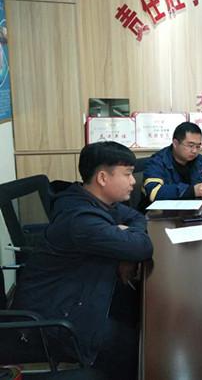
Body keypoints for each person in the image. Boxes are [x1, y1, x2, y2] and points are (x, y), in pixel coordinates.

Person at [12, 142, 154, 377]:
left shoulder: (93, 201)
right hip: (56, 317)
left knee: (141, 316)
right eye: (127, 174)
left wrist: (124, 240)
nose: (133, 181)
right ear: (102, 178)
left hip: (79, 292)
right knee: (138, 347)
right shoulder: (81, 219)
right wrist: (125, 245)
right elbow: (142, 247)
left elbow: (137, 217)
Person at [143, 122, 202, 202]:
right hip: (161, 214)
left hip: (192, 210)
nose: (194, 151)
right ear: (175, 143)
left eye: (198, 146)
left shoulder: (199, 159)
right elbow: (153, 192)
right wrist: (191, 191)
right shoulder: (157, 161)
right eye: (190, 146)